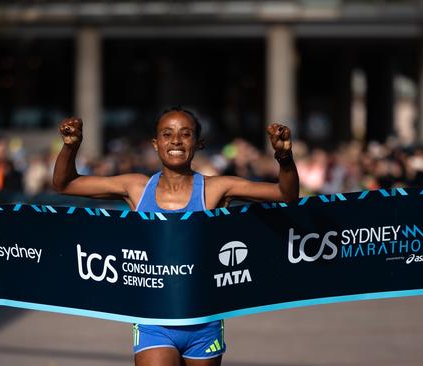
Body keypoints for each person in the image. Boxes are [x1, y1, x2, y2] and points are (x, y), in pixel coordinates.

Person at [52, 106, 299, 366]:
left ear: (198, 143)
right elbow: (64, 184)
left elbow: (286, 194)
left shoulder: (216, 188)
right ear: (156, 144)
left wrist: (284, 156)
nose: (176, 140)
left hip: (203, 321)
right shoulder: (136, 187)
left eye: (186, 133)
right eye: (167, 134)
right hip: (153, 321)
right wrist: (70, 146)